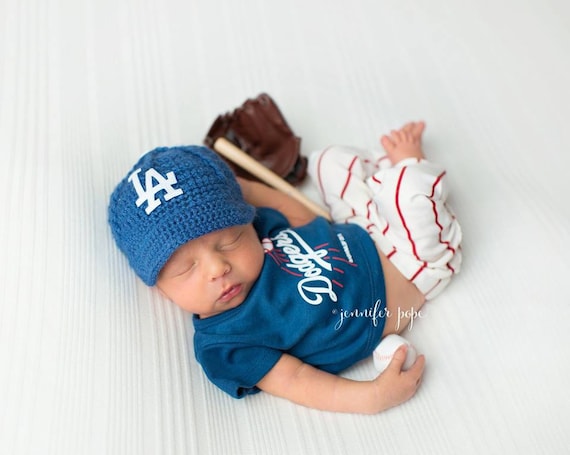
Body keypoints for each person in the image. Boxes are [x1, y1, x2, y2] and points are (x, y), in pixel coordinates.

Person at [108, 121, 462, 414]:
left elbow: (305, 218)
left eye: (228, 241)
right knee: (411, 196)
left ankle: (394, 183)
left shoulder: (258, 233)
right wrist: (370, 397)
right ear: (158, 284)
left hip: (358, 228)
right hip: (407, 270)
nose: (218, 267)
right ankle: (410, 165)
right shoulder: (227, 343)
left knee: (329, 162)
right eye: (186, 268)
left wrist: (239, 187)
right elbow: (296, 381)